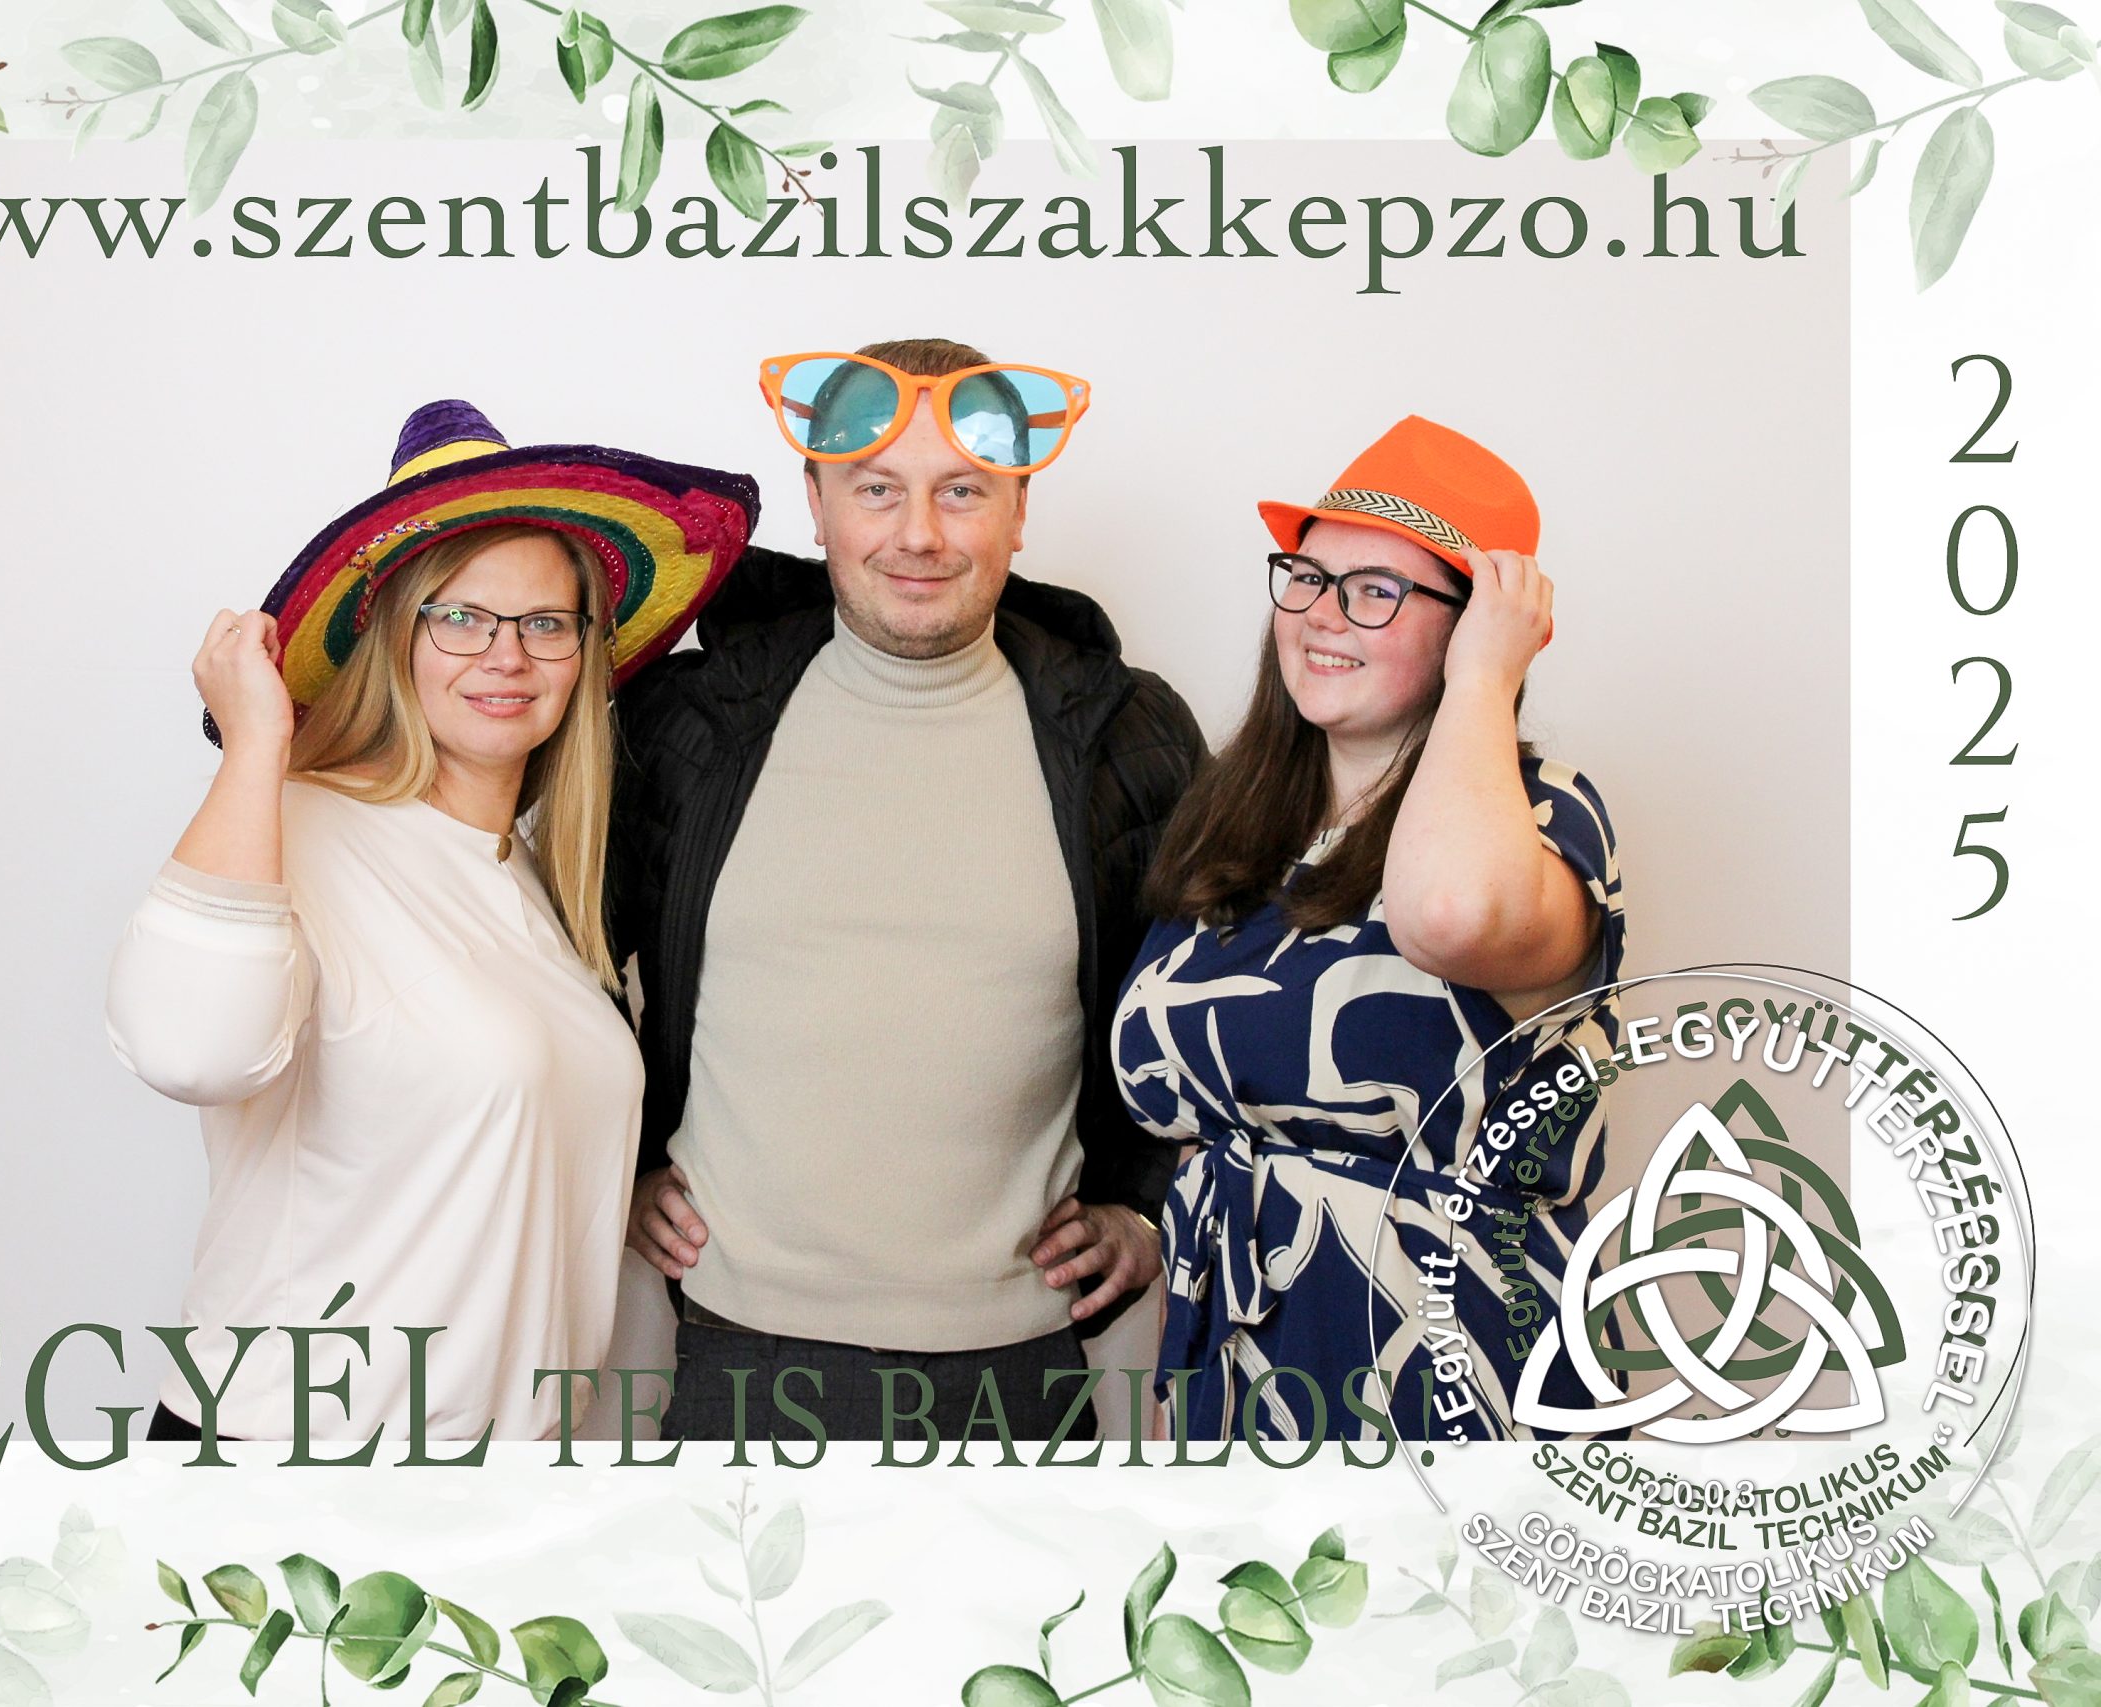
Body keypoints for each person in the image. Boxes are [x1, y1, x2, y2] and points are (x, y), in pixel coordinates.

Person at [105, 401, 758, 1443]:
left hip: (501, 1482)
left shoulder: (536, 883)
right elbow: (189, 1050)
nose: (507, 655)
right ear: (391, 637)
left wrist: (609, 1184)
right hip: (295, 1466)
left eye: (545, 623)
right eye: (459, 617)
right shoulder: (295, 823)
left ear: (584, 653)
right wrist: (256, 743)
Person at [613, 340, 1206, 1443]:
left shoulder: (1127, 735)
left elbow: (1194, 998)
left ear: (1019, 513)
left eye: (963, 492)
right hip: (742, 1352)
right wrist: (629, 1162)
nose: (920, 534)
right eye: (877, 490)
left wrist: (1141, 1202)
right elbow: (566, 952)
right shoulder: (690, 722)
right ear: (817, 506)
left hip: (1023, 1363)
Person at [1114, 415, 1626, 1443]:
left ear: (1475, 624)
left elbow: (1448, 916)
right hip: (1237, 1371)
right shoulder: (1237, 828)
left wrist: (1484, 682)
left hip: (1454, 1368)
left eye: (1376, 590)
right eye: (1307, 577)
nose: (1321, 615)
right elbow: (1196, 1141)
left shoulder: (1544, 818)